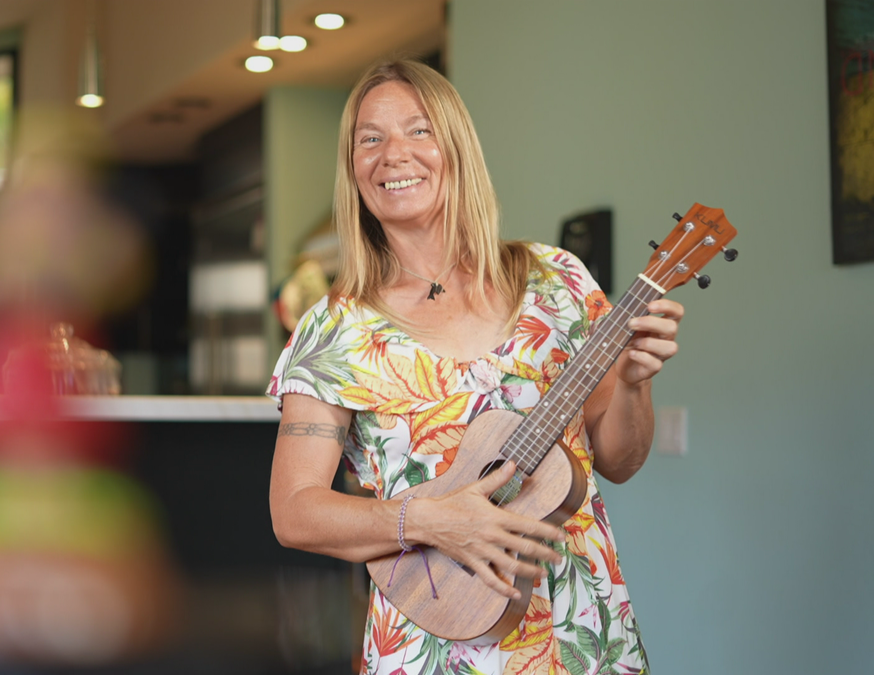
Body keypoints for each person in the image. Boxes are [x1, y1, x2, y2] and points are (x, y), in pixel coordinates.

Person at [267, 60, 679, 675]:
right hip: (432, 643)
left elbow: (617, 461)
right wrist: (431, 520)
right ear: (352, 169)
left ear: (456, 147)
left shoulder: (557, 282)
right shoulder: (336, 330)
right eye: (369, 138)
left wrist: (634, 383)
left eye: (419, 130)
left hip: (578, 629)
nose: (393, 155)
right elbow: (294, 511)